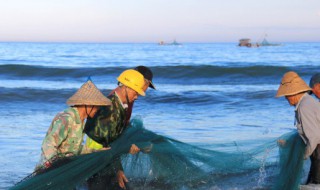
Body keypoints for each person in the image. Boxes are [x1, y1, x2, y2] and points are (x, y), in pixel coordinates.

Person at [84, 68, 151, 189]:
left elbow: (114, 139)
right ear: (126, 87)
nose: (136, 97)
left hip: (104, 158)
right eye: (135, 92)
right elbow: (108, 144)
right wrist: (119, 168)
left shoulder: (120, 106)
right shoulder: (110, 109)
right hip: (96, 160)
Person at [38, 79, 111, 169]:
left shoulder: (81, 122)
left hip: (65, 167)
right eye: (96, 106)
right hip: (49, 169)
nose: (98, 110)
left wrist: (95, 151)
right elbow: (48, 144)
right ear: (87, 105)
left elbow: (75, 148)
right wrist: (55, 165)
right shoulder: (66, 119)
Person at [276, 71, 320, 184]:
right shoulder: (306, 102)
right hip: (317, 153)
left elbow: (314, 137)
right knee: (312, 183)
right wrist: (289, 144)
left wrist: (302, 156)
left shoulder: (305, 106)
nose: (286, 98)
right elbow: (309, 131)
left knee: (315, 184)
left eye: (286, 95)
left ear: (294, 93)